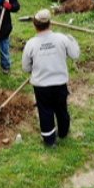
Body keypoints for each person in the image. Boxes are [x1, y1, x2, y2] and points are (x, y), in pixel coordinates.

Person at [22, 9, 80, 148]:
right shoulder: (61, 39)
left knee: (45, 111)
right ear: (50, 23)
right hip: (59, 83)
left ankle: (49, 141)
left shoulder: (31, 44)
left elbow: (25, 67)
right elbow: (75, 54)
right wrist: (71, 39)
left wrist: (33, 69)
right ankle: (63, 133)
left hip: (41, 86)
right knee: (61, 108)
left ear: (35, 25)